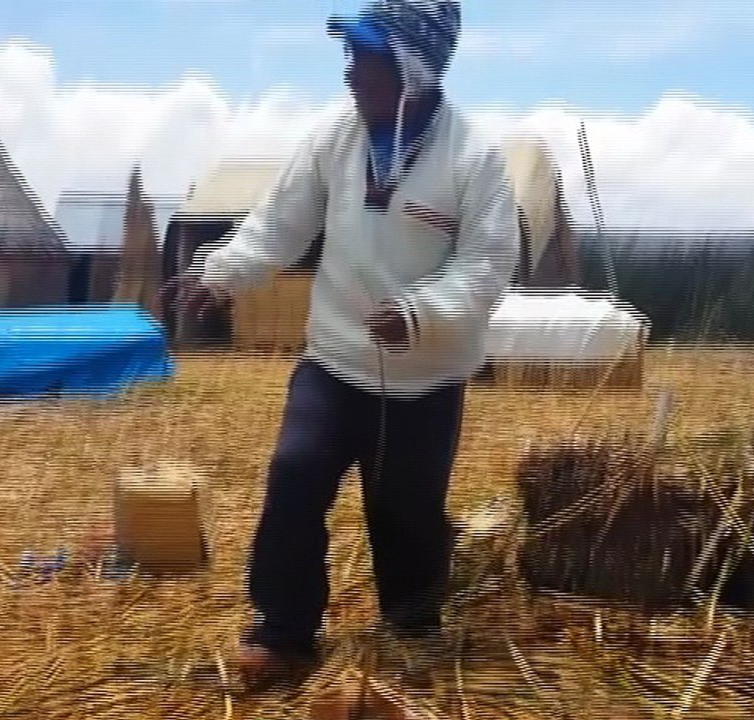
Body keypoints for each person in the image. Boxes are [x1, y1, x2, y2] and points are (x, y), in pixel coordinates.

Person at [166, 0, 519, 686]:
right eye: (351, 56)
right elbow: (279, 222)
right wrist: (222, 273)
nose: (351, 73)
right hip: (334, 361)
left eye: (367, 58)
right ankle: (284, 634)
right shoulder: (335, 138)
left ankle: (411, 630)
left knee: (407, 512)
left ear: (413, 69)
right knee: (295, 477)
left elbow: (488, 263)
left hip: (425, 380)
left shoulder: (473, 159)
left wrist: (420, 313)